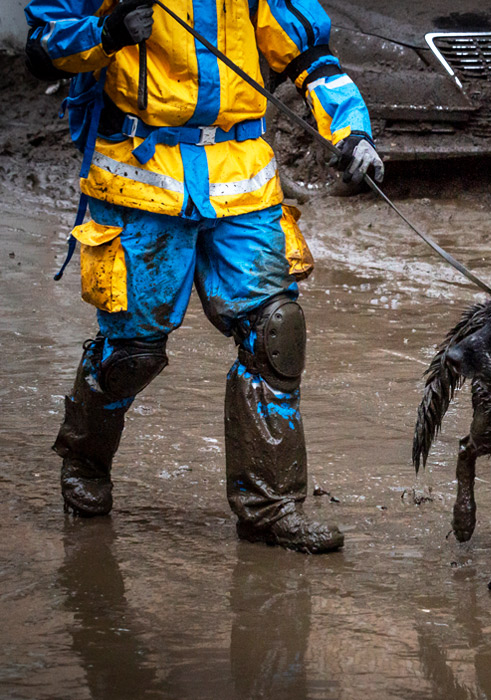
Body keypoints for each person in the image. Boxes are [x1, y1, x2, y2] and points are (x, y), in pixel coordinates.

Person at [25, 0, 383, 553]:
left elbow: (310, 57)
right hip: (139, 177)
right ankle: (85, 460)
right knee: (132, 353)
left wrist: (352, 131)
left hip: (241, 175)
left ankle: (270, 509)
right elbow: (44, 52)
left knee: (277, 332)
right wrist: (109, 32)